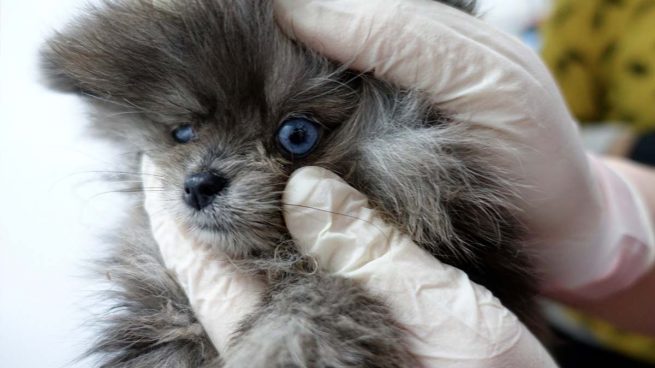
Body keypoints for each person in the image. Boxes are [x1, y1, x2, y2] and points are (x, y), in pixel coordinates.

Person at [143, 0, 655, 366]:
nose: (200, 174)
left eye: (295, 136)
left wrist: (595, 226)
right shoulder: (597, 15)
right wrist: (602, 229)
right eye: (185, 133)